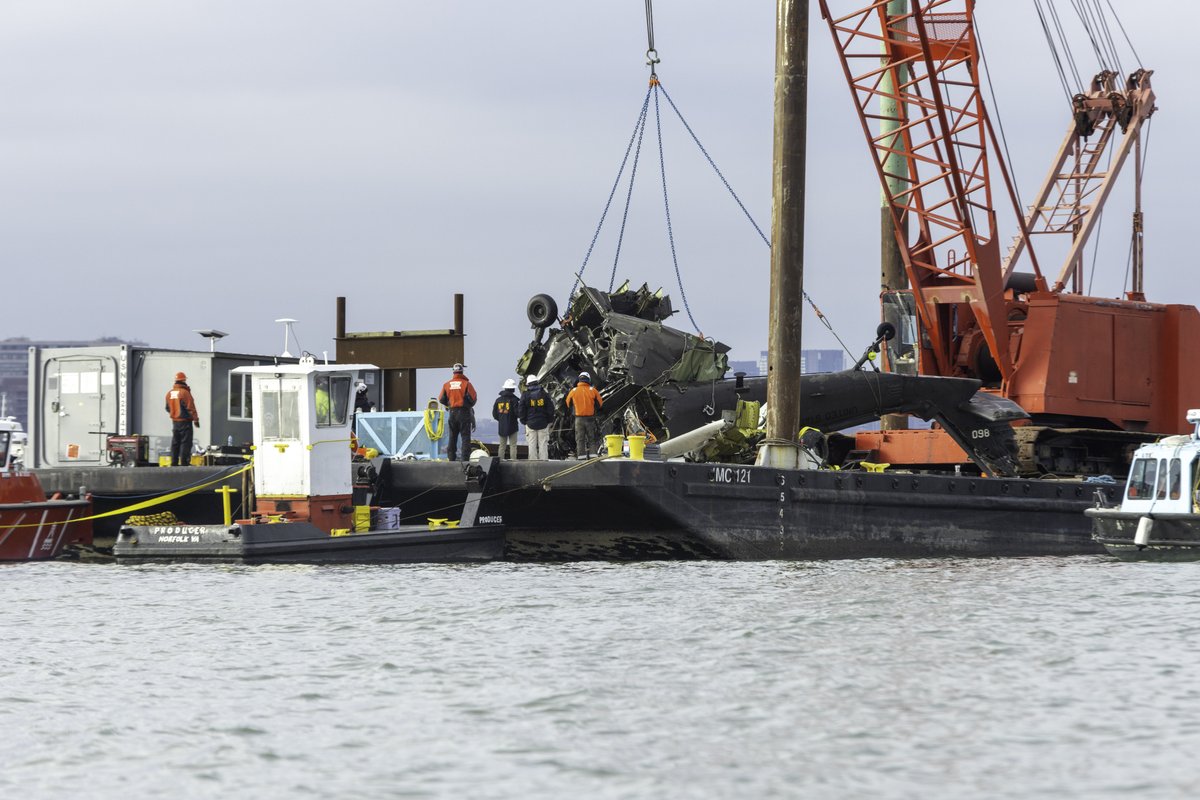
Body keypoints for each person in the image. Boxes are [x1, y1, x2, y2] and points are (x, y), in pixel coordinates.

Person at [438, 363, 477, 461]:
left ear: (453, 371)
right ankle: (465, 460)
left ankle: (451, 458)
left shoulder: (446, 385)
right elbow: (473, 398)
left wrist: (449, 404)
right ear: (462, 371)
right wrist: (467, 405)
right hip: (464, 413)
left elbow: (441, 399)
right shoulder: (466, 384)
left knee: (452, 436)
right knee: (465, 437)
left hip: (452, 412)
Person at [565, 371, 603, 459]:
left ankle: (581, 457)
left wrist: (574, 409)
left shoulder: (573, 391)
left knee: (580, 439)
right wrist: (594, 409)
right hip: (590, 418)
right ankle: (593, 456)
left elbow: (568, 403)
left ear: (579, 380)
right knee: (592, 438)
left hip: (579, 419)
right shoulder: (593, 390)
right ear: (588, 380)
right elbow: (600, 403)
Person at [165, 371, 200, 466]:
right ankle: (184, 463)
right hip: (185, 422)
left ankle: (174, 462)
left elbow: (167, 408)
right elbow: (191, 407)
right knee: (186, 442)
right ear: (184, 380)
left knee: (175, 443)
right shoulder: (185, 393)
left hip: (175, 422)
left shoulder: (169, 393)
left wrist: (174, 413)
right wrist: (196, 420)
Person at [518, 374, 553, 460]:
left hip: (530, 424)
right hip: (543, 423)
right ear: (537, 382)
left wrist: (524, 421)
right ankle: (544, 462)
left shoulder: (525, 395)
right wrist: (549, 420)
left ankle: (533, 463)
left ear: (528, 384)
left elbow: (521, 409)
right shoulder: (544, 393)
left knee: (532, 444)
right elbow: (550, 408)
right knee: (543, 444)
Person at [492, 378, 520, 459]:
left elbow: (494, 414)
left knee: (502, 446)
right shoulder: (514, 400)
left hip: (502, 426)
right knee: (513, 446)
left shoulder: (498, 400)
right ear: (513, 389)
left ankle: (500, 461)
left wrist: (501, 420)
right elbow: (517, 413)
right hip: (513, 426)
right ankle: (513, 461)